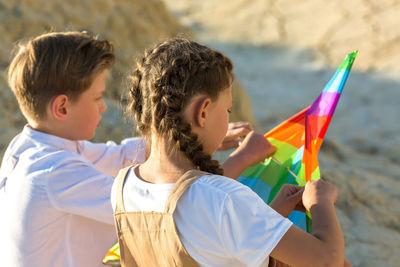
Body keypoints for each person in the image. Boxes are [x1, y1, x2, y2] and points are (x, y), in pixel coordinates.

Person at [0, 31, 268, 267]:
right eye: (97, 98)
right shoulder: (54, 172)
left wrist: (183, 137)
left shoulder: (29, 148)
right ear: (62, 108)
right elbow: (159, 213)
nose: (104, 106)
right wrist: (242, 159)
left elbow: (118, 155)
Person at [111, 38, 349, 267]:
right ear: (203, 111)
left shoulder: (123, 187)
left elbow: (211, 241)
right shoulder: (223, 197)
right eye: (228, 109)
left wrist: (270, 214)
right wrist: (321, 202)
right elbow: (328, 259)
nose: (228, 119)